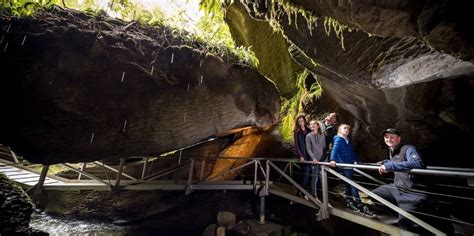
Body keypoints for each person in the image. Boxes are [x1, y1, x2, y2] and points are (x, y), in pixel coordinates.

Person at [374, 128, 426, 226]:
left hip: (412, 192)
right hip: (397, 187)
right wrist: (386, 162)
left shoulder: (408, 148)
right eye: (386, 137)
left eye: (391, 137)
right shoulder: (392, 151)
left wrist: (390, 166)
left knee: (406, 224)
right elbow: (398, 161)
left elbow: (417, 163)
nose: (388, 139)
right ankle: (397, 216)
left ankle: (404, 221)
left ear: (399, 139)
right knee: (374, 195)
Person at [329, 124, 374, 217]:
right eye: (344, 128)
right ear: (339, 130)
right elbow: (334, 149)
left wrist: (356, 161)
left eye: (348, 129)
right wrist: (332, 159)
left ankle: (349, 202)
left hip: (349, 164)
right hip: (344, 165)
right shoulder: (338, 139)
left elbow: (351, 152)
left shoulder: (347, 140)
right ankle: (360, 206)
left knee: (348, 183)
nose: (347, 130)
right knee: (353, 184)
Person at [305, 120, 326, 199]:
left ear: (317, 125)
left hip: (322, 160)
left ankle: (323, 197)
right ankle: (314, 195)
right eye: (311, 124)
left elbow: (324, 148)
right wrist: (313, 158)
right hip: (314, 160)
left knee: (322, 178)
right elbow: (308, 149)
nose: (312, 125)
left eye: (314, 124)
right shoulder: (308, 136)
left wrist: (325, 159)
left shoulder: (322, 135)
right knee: (315, 177)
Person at [293, 115, 310, 196]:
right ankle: (302, 191)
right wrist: (300, 156)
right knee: (306, 171)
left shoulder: (309, 130)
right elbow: (296, 145)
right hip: (303, 155)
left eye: (302, 121)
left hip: (310, 155)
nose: (301, 123)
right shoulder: (297, 132)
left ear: (305, 121)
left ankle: (303, 191)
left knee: (308, 173)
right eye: (299, 121)